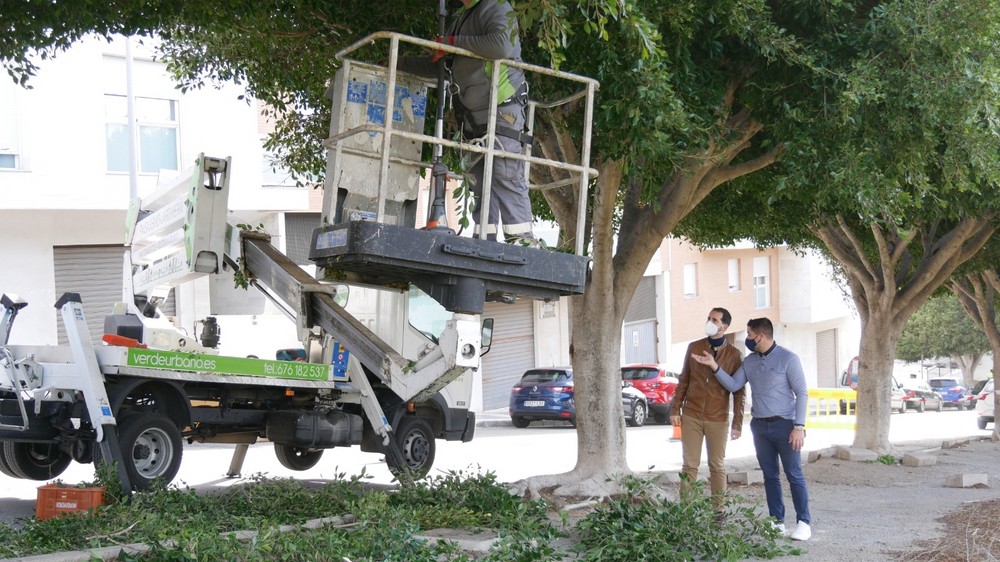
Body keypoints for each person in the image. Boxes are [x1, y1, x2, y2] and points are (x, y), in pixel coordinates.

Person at [400, 0, 535, 244]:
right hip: (474, 121)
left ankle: (524, 246)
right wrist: (396, 61)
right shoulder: (461, 18)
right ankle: (485, 242)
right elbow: (442, 67)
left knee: (505, 176)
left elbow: (501, 46)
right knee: (481, 184)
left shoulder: (495, 5)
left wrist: (451, 43)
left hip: (501, 112)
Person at [691, 317, 812, 541]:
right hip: (760, 426)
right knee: (770, 476)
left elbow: (802, 393)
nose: (746, 339)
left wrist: (799, 426)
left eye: (749, 335)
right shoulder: (750, 361)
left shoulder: (789, 359)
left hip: (786, 425)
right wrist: (714, 366)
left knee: (794, 474)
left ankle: (804, 522)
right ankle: (777, 521)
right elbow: (735, 385)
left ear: (761, 335)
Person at [669, 307, 745, 513]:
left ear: (725, 326)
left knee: (717, 466)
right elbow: (684, 380)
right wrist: (675, 409)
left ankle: (718, 512)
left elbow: (739, 392)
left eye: (715, 320)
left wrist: (737, 424)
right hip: (692, 414)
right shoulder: (694, 347)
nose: (710, 322)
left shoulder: (734, 355)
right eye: (709, 318)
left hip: (718, 418)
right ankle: (686, 511)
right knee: (689, 466)